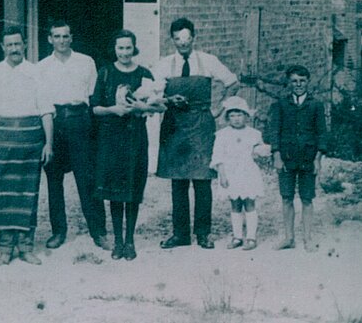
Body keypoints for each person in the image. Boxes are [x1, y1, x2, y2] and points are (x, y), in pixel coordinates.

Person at [149, 17, 239, 250]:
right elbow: (153, 94)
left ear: (194, 38)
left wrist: (220, 107)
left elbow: (232, 82)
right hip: (174, 125)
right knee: (178, 182)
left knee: (202, 181)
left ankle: (203, 233)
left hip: (201, 124)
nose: (183, 43)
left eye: (187, 39)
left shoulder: (209, 61)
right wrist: (167, 99)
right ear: (172, 40)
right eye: (178, 39)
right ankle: (180, 234)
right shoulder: (163, 64)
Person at [0, 27, 54, 266]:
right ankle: (5, 248)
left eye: (18, 44)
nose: (14, 49)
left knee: (26, 192)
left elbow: (47, 111)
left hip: (31, 140)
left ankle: (26, 247)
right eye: (9, 45)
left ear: (25, 45)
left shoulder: (37, 73)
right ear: (2, 47)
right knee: (0, 193)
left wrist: (49, 143)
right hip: (0, 141)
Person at [91, 30, 165, 261]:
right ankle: (118, 242)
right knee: (114, 190)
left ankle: (130, 240)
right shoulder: (105, 72)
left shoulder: (144, 74)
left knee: (132, 188)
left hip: (135, 138)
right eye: (120, 48)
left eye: (128, 47)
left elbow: (160, 106)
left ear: (135, 48)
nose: (124, 52)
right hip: (111, 138)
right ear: (115, 49)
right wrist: (113, 109)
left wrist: (141, 109)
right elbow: (94, 107)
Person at [37, 19, 108, 250]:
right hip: (54, 124)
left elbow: (93, 96)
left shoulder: (86, 62)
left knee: (87, 179)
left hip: (80, 121)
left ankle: (98, 232)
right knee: (54, 181)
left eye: (65, 36)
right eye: (56, 36)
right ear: (50, 39)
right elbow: (42, 103)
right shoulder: (42, 67)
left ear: (71, 38)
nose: (61, 40)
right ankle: (58, 231)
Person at [263, 65, 327, 252]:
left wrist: (318, 158)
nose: (298, 84)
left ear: (308, 82)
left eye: (302, 81)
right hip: (286, 157)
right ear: (289, 83)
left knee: (307, 198)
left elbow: (322, 133)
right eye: (294, 81)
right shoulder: (281, 105)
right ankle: (289, 238)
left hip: (308, 158)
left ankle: (307, 238)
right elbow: (274, 131)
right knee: (286, 198)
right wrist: (276, 154)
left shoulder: (316, 105)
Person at [211, 97, 268, 251]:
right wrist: (222, 175)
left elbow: (259, 149)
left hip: (247, 172)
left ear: (246, 116)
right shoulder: (222, 134)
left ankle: (251, 237)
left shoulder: (254, 133)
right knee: (235, 204)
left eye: (239, 115)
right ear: (228, 117)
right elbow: (218, 156)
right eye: (232, 115)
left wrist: (262, 149)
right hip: (230, 173)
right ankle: (237, 237)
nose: (236, 119)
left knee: (249, 203)